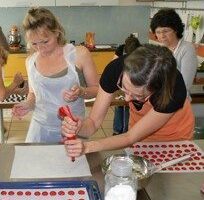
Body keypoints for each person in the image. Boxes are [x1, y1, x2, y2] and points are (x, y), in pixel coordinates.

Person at [62, 44, 195, 156]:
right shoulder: (114, 70)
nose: (127, 99)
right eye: (123, 88)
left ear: (156, 90)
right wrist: (79, 127)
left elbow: (130, 137)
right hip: (138, 130)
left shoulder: (172, 92)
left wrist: (88, 147)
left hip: (174, 135)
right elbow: (93, 123)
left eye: (138, 96)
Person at [12, 7, 99, 143]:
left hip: (73, 129)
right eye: (34, 43)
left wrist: (81, 92)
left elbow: (97, 89)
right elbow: (33, 93)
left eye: (45, 42)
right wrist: (28, 103)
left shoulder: (78, 54)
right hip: (40, 130)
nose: (40, 48)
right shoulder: (30, 61)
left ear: (57, 33)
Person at [150, 8, 198, 97]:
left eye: (165, 31)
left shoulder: (187, 49)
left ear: (175, 29)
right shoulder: (161, 49)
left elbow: (185, 84)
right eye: (158, 32)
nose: (162, 36)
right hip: (161, 98)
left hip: (178, 100)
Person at [112, 34, 141, 135]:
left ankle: (126, 130)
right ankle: (117, 129)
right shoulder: (120, 49)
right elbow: (113, 64)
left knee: (129, 105)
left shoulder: (141, 51)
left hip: (134, 80)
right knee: (119, 104)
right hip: (120, 79)